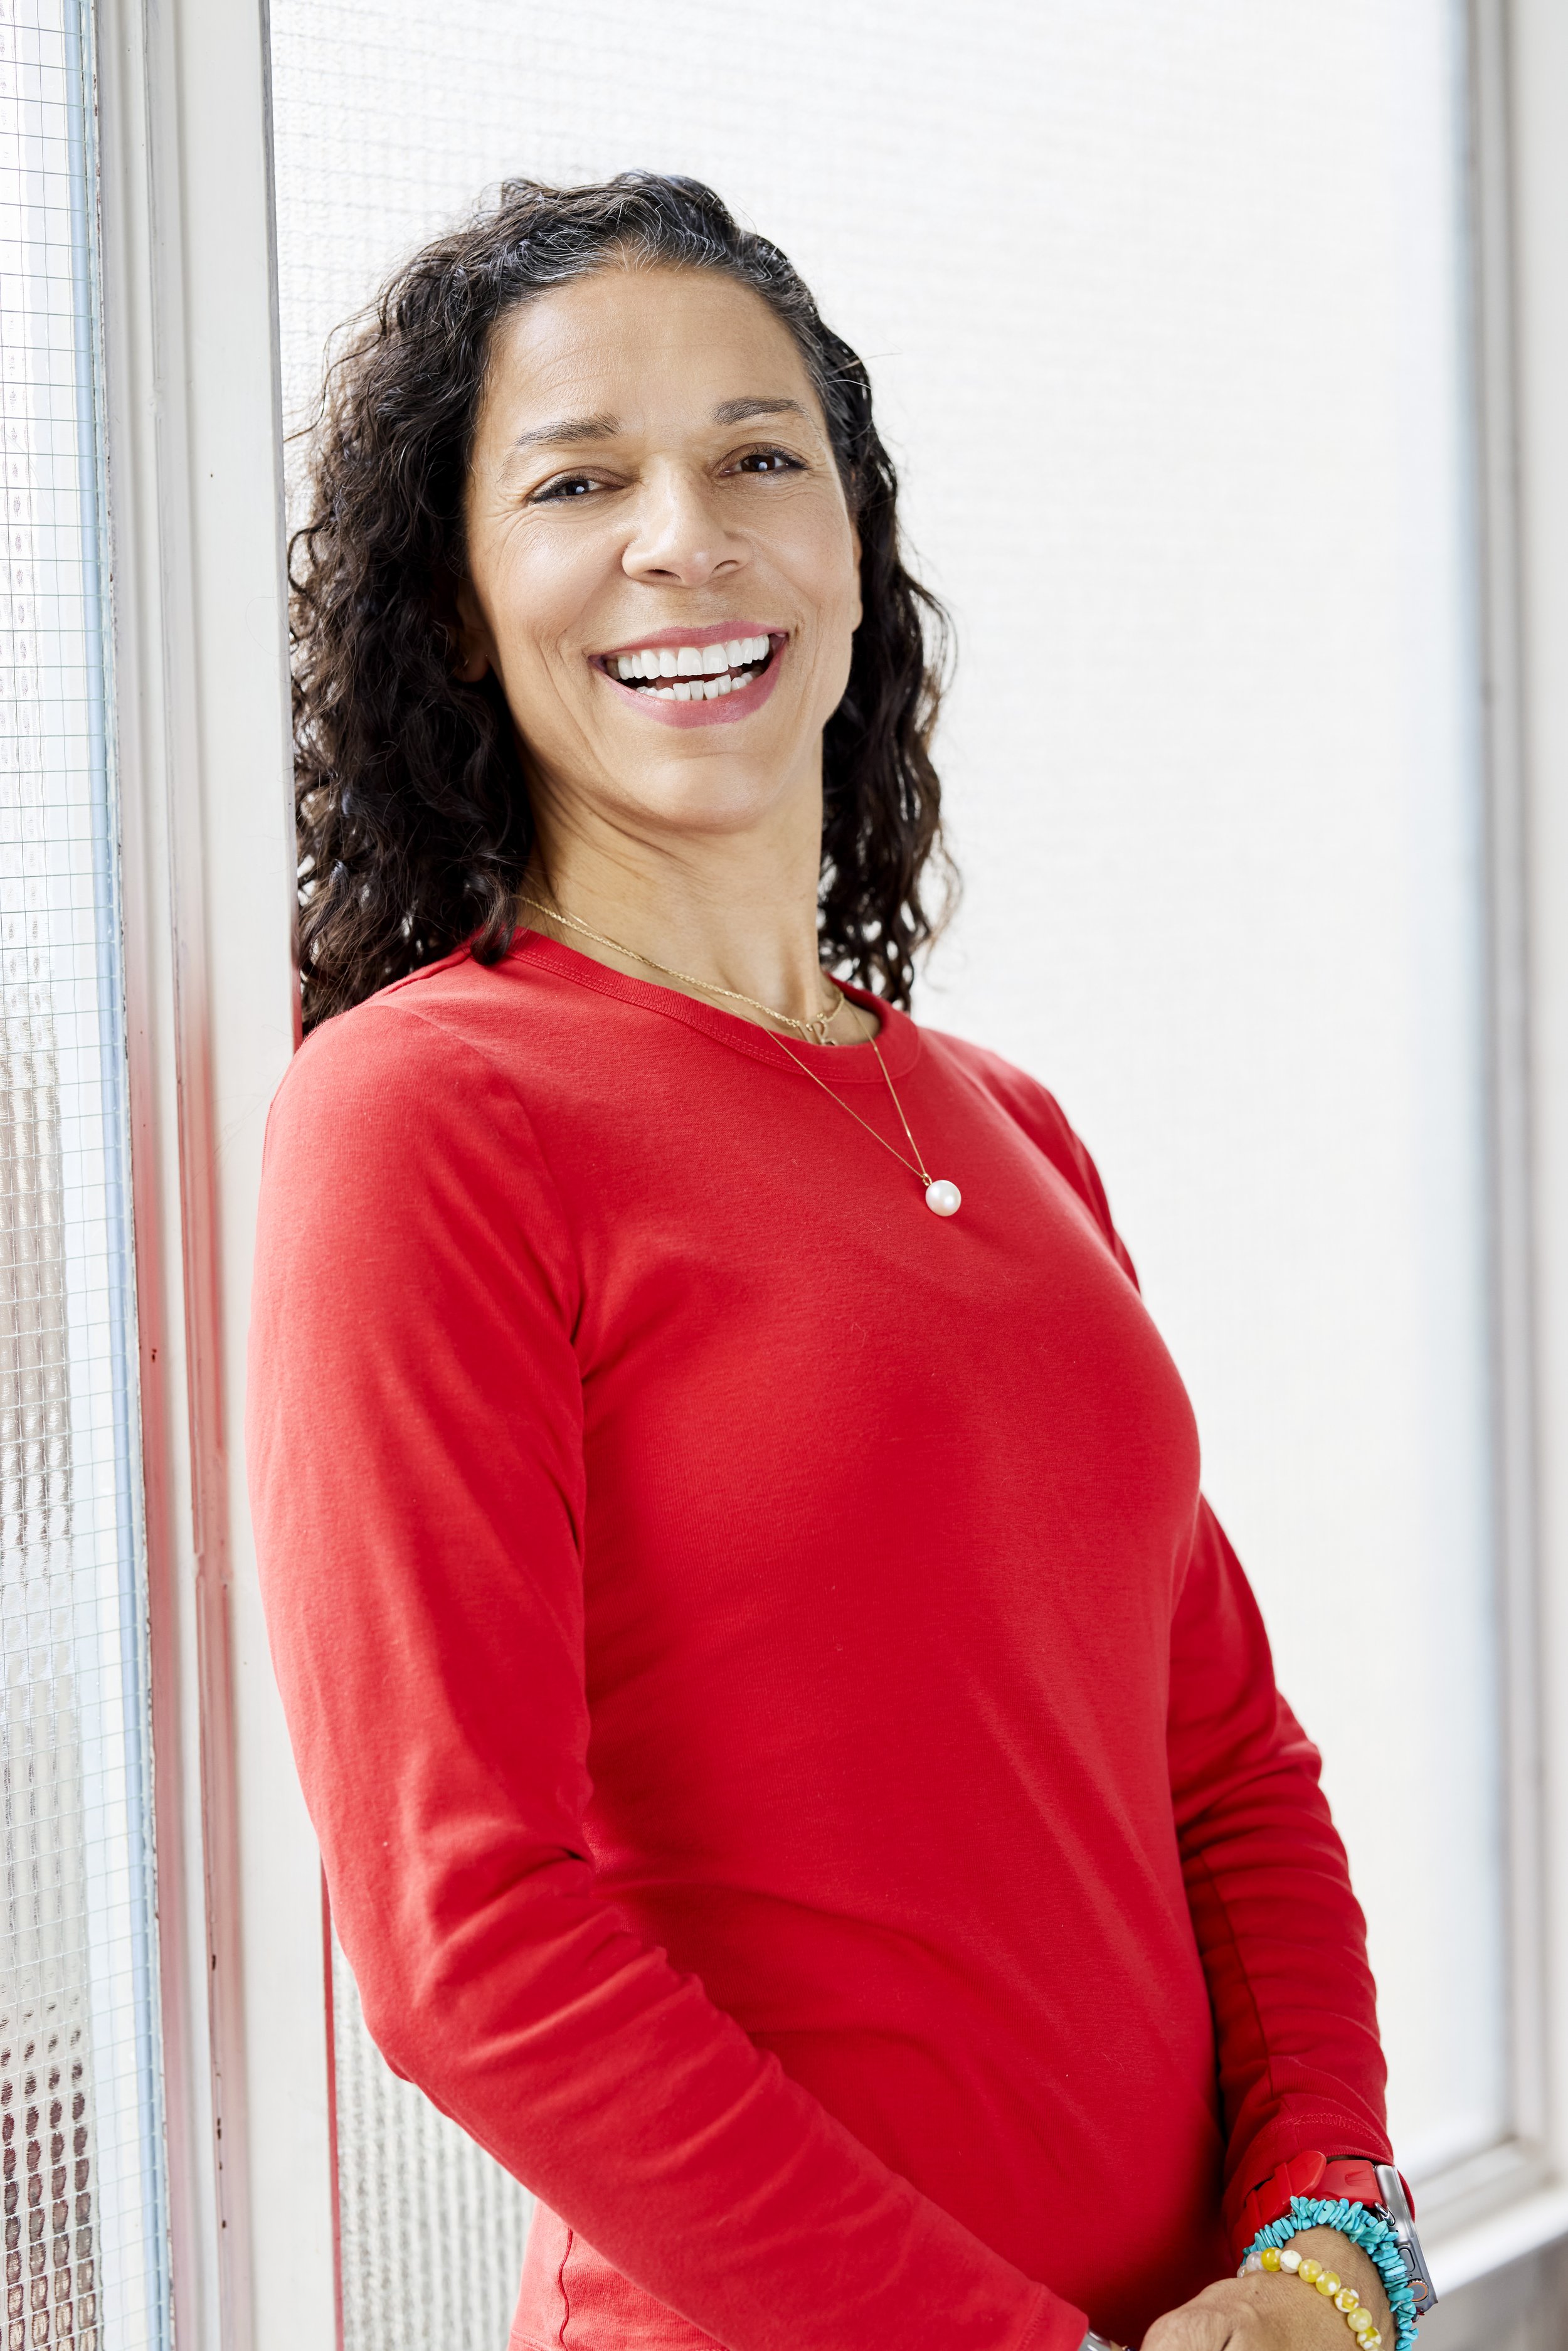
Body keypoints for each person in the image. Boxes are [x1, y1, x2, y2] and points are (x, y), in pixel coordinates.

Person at [248, 174, 1420, 2351]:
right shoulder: (423, 1114)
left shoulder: (1010, 1122)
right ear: (458, 599)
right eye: (578, 478)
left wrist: (1330, 2252)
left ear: (855, 556)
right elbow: (464, 1935)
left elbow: (1224, 1762)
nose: (682, 532)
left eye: (758, 454)